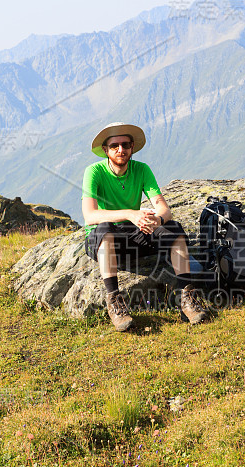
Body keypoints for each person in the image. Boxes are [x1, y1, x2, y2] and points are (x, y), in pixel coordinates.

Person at [82, 122, 207, 331]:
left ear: (132, 147)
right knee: (104, 230)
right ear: (106, 150)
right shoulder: (94, 172)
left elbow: (164, 210)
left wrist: (157, 221)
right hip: (104, 236)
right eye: (114, 146)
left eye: (125, 144)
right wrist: (131, 214)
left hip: (133, 233)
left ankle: (187, 298)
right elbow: (90, 215)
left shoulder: (142, 169)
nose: (120, 150)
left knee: (174, 229)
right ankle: (115, 302)